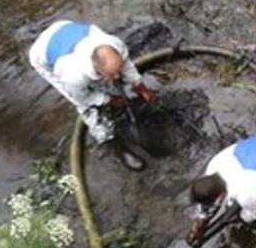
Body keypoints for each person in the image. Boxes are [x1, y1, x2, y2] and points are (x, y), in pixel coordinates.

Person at [28, 19, 159, 170]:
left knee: (116, 77)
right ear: (96, 68)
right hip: (43, 54)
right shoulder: (72, 75)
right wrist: (108, 99)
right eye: (112, 74)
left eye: (117, 70)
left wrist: (140, 87)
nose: (117, 76)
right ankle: (116, 146)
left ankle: (115, 95)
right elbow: (82, 98)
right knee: (88, 109)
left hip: (64, 28)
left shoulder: (113, 44)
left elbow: (126, 65)